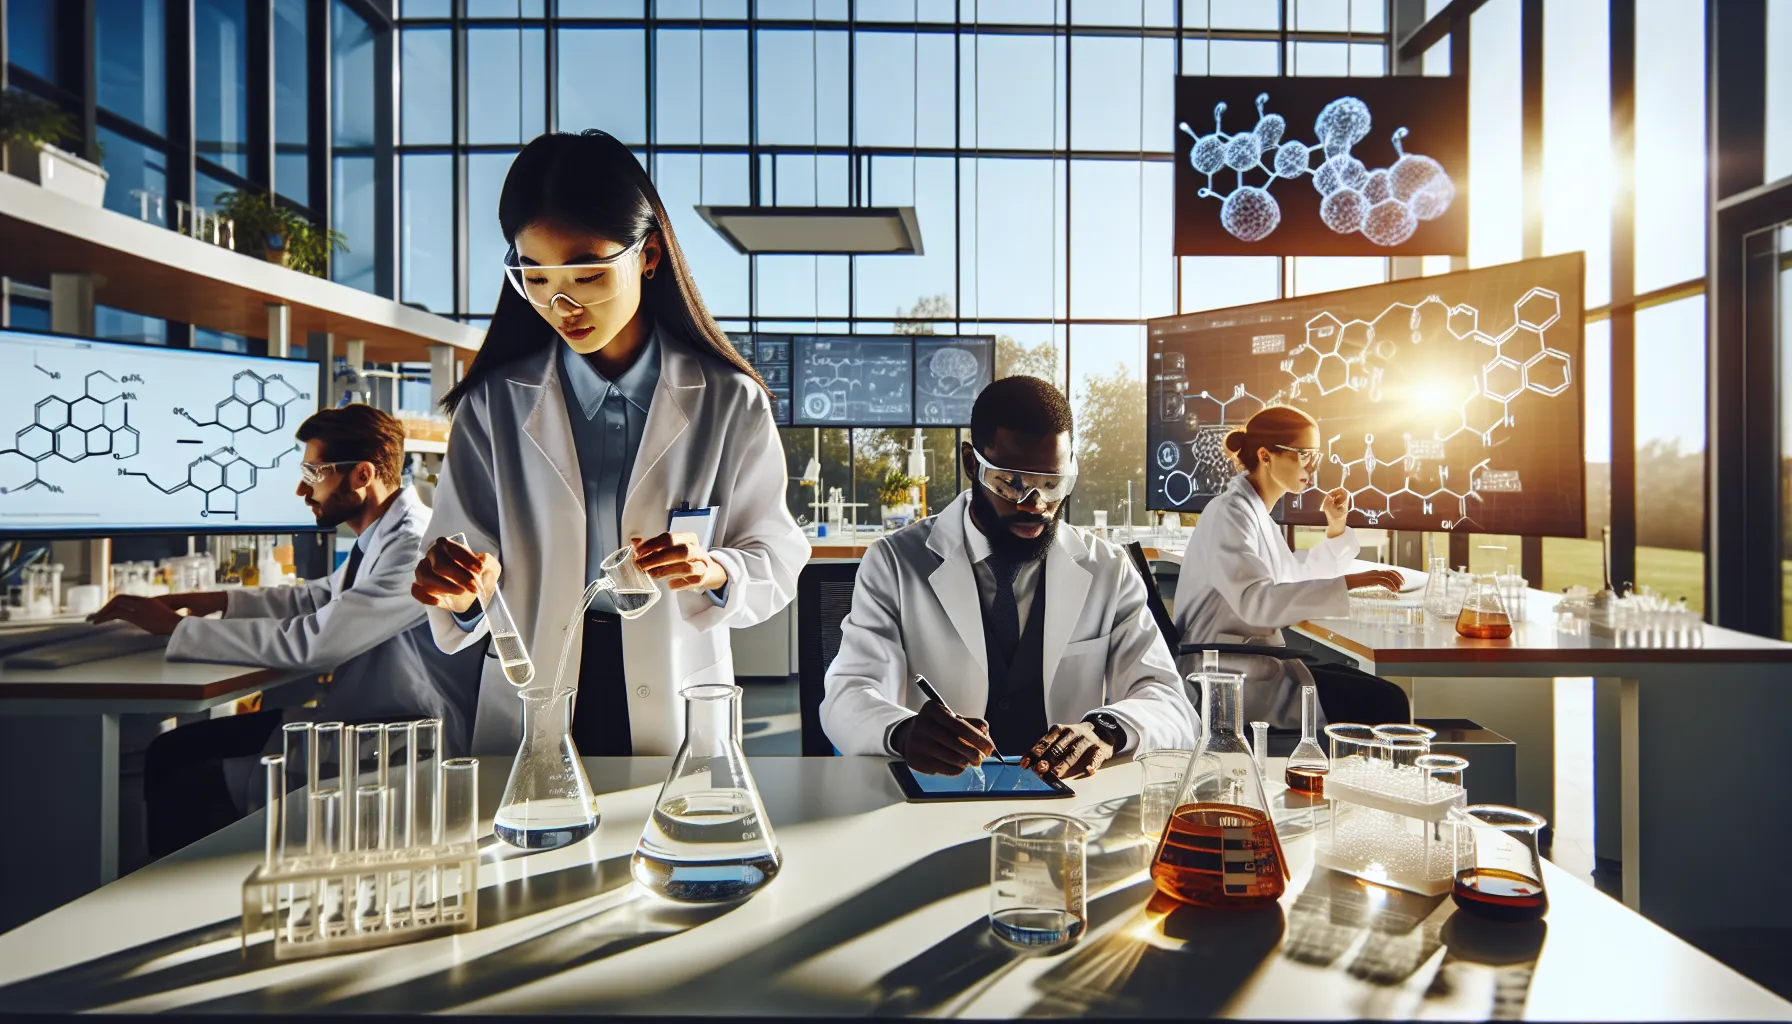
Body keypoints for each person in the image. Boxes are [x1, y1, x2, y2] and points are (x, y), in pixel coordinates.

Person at [411, 130, 806, 757]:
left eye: (588, 274)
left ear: (648, 256)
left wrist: (712, 569)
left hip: (675, 681)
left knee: (670, 817)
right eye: (535, 277)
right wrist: (459, 589)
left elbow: (776, 554)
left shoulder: (729, 400)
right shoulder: (493, 404)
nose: (561, 304)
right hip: (537, 680)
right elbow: (466, 551)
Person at [92, 404, 480, 857]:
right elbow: (317, 598)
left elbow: (316, 643)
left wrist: (180, 629)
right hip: (371, 717)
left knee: (180, 765)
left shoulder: (413, 544)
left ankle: (194, 887)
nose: (302, 489)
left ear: (362, 475)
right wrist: (214, 601)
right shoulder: (384, 533)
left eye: (314, 473)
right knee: (172, 750)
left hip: (403, 737)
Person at [821, 376, 1198, 779]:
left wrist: (1106, 729)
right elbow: (845, 695)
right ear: (971, 463)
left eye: (1052, 485)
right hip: (937, 795)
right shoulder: (895, 563)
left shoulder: (1108, 569)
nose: (1035, 505)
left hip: (1066, 800)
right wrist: (902, 731)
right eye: (1012, 483)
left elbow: (1172, 704)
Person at [1172, 404, 1410, 728]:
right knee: (1388, 701)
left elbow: (1294, 578)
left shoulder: (1254, 513)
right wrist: (1350, 584)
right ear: (1265, 456)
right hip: (1227, 675)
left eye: (1316, 456)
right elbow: (1257, 602)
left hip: (1249, 663)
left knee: (1373, 688)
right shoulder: (1230, 514)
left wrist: (1336, 527)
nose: (1312, 467)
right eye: (1303, 455)